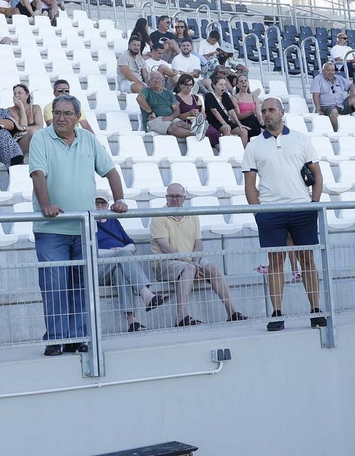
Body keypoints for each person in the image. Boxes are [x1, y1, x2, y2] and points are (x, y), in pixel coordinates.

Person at [29, 95, 129, 355]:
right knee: (55, 286)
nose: (61, 118)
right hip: (52, 229)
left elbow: (110, 170)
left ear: (77, 116)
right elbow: (38, 174)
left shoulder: (88, 139)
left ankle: (79, 337)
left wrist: (119, 200)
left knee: (82, 286)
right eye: (57, 113)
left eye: (67, 114)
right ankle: (55, 338)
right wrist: (46, 205)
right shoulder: (41, 137)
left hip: (84, 229)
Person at [241, 97, 323, 332]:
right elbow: (249, 184)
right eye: (263, 110)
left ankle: (316, 310)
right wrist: (259, 212)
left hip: (301, 209)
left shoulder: (301, 139)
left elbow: (318, 175)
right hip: (270, 211)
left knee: (307, 260)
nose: (267, 114)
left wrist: (314, 204)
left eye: (271, 110)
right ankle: (277, 313)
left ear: (282, 112)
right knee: (275, 263)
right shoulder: (254, 145)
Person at [151, 185, 239, 324]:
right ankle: (181, 317)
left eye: (178, 196)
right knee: (189, 268)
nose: (174, 199)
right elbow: (164, 246)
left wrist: (196, 262)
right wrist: (190, 263)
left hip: (189, 261)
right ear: (166, 197)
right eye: (171, 196)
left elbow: (198, 243)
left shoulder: (192, 215)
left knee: (213, 269)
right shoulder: (158, 216)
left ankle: (232, 312)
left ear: (184, 198)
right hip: (165, 262)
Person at [94, 195, 159, 332]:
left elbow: (132, 246)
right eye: (96, 203)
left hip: (117, 264)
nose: (100, 206)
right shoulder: (89, 223)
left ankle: (132, 321)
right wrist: (117, 252)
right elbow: (90, 251)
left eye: (102, 203)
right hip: (98, 268)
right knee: (123, 255)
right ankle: (146, 293)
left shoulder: (114, 222)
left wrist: (121, 251)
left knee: (121, 272)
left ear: (107, 205)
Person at [309, 60, 355, 133]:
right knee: (334, 111)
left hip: (341, 105)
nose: (331, 72)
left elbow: (350, 84)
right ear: (323, 71)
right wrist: (318, 109)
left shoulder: (338, 78)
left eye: (333, 70)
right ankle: (336, 132)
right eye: (329, 70)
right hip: (327, 106)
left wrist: (352, 92)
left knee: (354, 98)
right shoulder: (318, 79)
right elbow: (315, 95)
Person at [137, 71, 190, 137]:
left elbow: (176, 109)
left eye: (158, 78)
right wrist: (150, 112)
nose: (156, 80)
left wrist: (171, 117)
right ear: (149, 81)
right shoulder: (146, 91)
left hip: (170, 118)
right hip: (154, 120)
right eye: (153, 78)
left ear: (162, 81)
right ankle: (195, 133)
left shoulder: (168, 93)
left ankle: (197, 130)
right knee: (173, 127)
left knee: (182, 124)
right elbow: (139, 99)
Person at [203, 73, 248, 147]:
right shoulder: (209, 96)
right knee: (226, 129)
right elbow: (214, 111)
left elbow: (231, 110)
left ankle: (243, 152)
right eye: (221, 85)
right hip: (216, 123)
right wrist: (224, 123)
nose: (223, 87)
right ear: (214, 85)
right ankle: (227, 151)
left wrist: (238, 123)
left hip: (227, 122)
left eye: (224, 85)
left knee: (243, 130)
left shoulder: (225, 95)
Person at [10, 83, 44, 154]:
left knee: (37, 133)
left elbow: (40, 127)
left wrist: (23, 128)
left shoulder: (35, 108)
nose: (16, 95)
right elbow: (23, 125)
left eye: (19, 93)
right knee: (33, 132)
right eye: (15, 93)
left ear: (27, 95)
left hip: (35, 140)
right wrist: (21, 108)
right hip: (18, 143)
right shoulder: (10, 110)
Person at [232, 67, 262, 139]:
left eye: (245, 81)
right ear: (238, 85)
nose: (244, 82)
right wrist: (251, 112)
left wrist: (261, 121)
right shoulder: (234, 98)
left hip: (254, 120)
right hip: (243, 121)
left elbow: (257, 113)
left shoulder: (253, 97)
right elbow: (238, 116)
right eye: (241, 81)